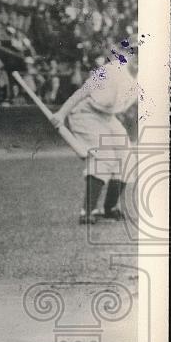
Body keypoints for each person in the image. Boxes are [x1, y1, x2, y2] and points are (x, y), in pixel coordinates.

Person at [50, 53, 138, 223]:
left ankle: (110, 208)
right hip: (85, 112)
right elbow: (83, 90)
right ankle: (87, 212)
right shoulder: (112, 69)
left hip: (108, 116)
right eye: (137, 56)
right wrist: (61, 113)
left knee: (127, 158)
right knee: (104, 157)